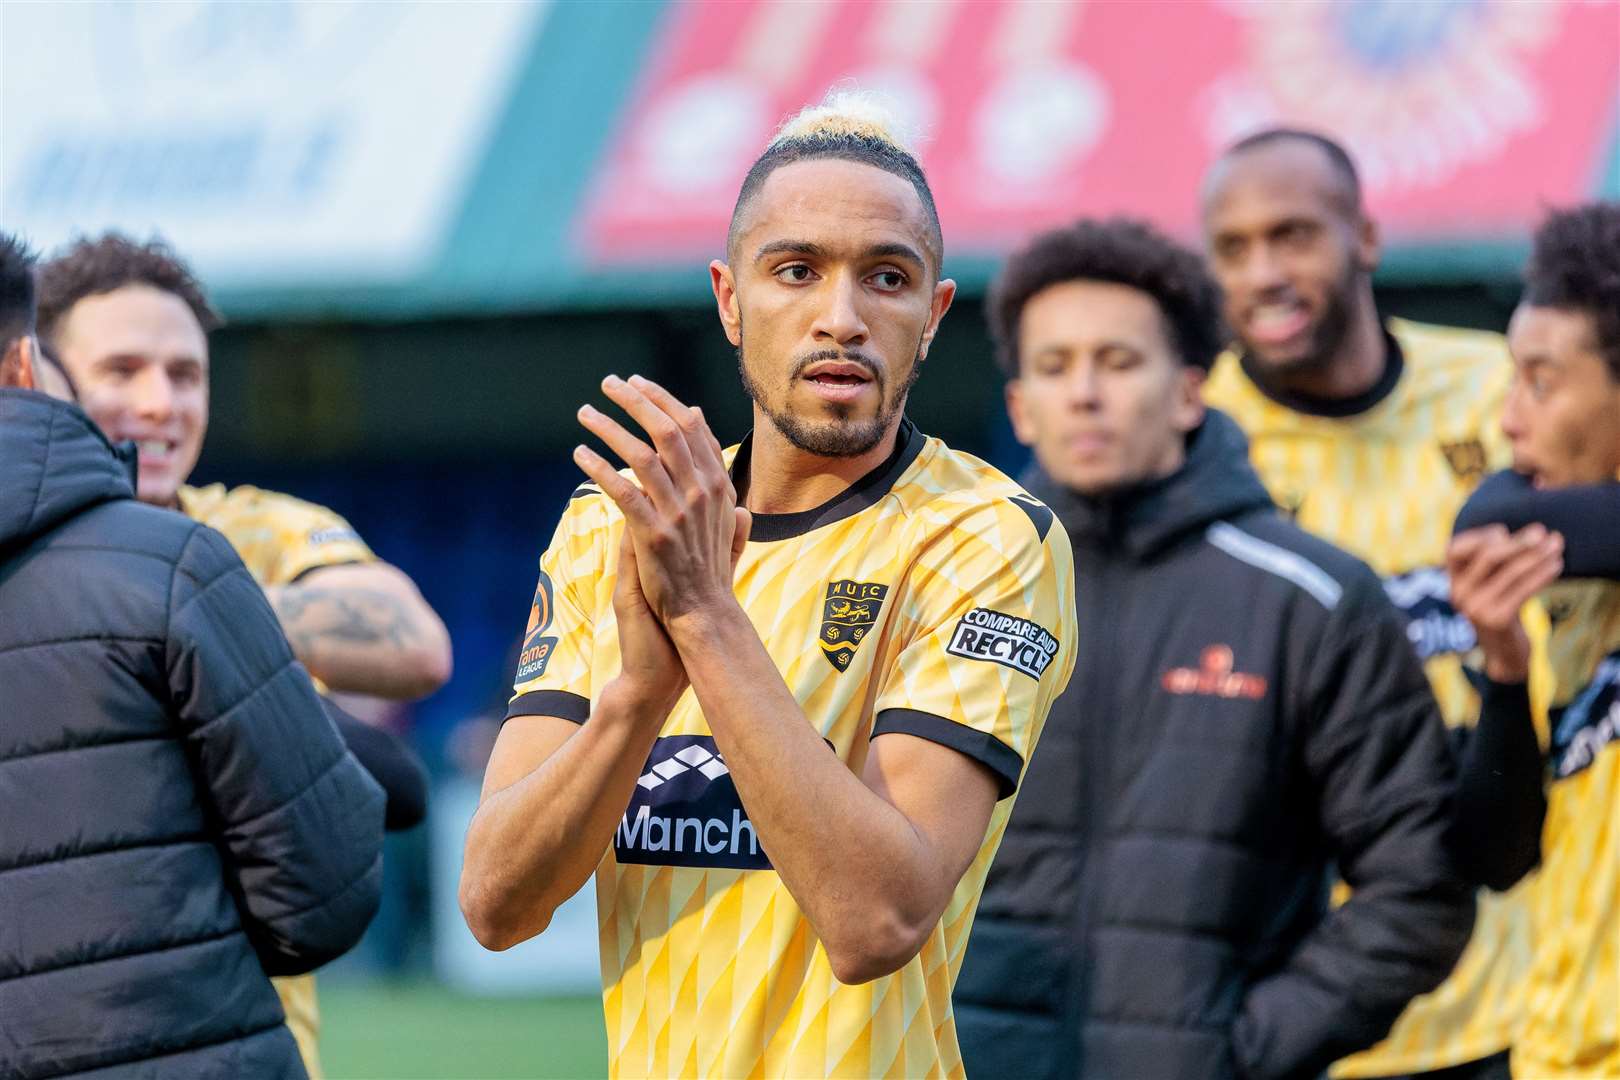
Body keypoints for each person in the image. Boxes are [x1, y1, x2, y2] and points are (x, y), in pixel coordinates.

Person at [459, 95, 1077, 1079]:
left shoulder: (985, 537)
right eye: (796, 271)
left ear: (933, 314)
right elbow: (498, 903)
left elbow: (876, 920)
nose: (841, 317)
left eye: (887, 277)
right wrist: (635, 701)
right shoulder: (609, 527)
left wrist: (703, 617)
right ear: (731, 297)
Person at [952, 217, 1473, 1080]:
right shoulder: (949, 586)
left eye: (1118, 362)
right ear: (1020, 407)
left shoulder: (1310, 598)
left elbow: (1421, 880)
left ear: (1193, 391)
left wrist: (1247, 1049)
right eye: (1054, 366)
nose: (1085, 393)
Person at [34, 232, 444, 1075]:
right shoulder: (23, 547)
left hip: (251, 1037)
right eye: (121, 370)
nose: (160, 403)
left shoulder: (249, 526)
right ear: (41, 381)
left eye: (185, 375)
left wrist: (173, 607)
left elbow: (415, 642)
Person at [1200, 129, 1524, 1080]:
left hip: (1522, 993)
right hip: (1302, 1009)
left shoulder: (1503, 391)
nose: (1263, 272)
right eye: (1233, 248)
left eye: (1293, 235)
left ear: (1367, 237)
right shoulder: (1198, 445)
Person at [1447, 202, 1620, 1078]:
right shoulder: (1580, 601)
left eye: (1541, 382)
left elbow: (1490, 514)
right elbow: (1498, 855)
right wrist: (1506, 671)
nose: (1509, 421)